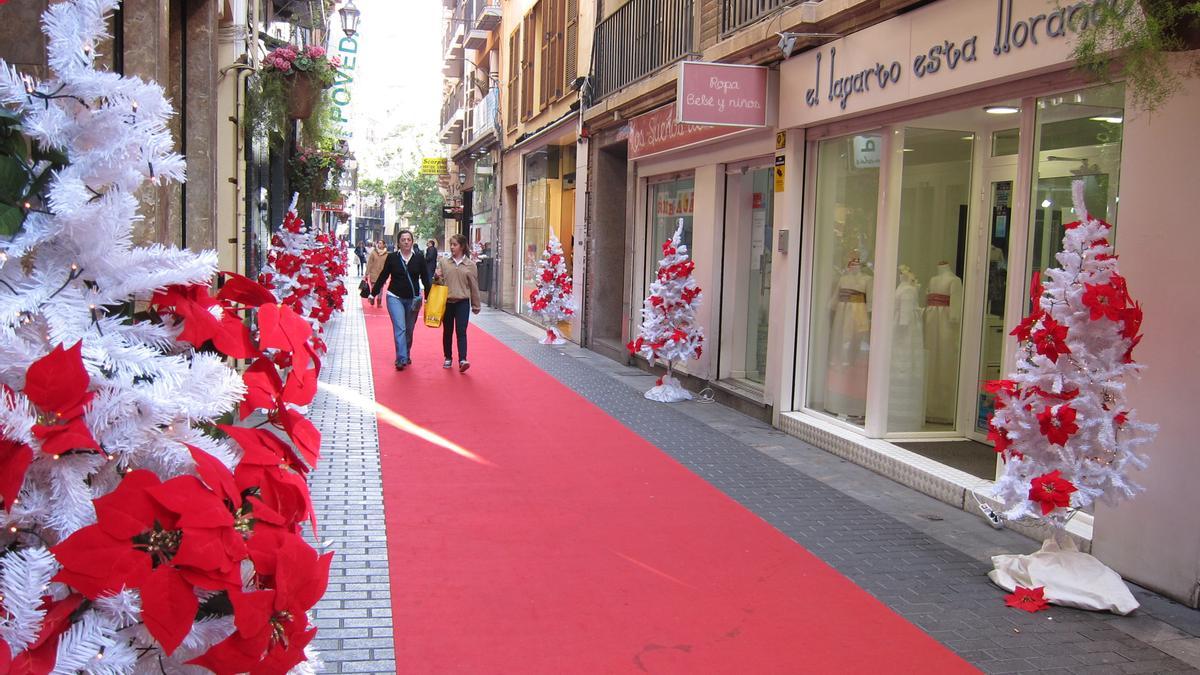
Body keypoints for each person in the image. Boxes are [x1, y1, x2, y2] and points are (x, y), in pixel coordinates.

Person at [371, 230, 432, 371]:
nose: (406, 242)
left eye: (408, 239)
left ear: (412, 241)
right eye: (403, 239)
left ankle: (406, 352)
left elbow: (425, 278)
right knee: (400, 327)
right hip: (394, 297)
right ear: (398, 242)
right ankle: (401, 358)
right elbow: (383, 276)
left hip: (413, 299)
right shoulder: (392, 258)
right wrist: (373, 293)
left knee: (409, 330)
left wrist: (429, 297)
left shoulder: (419, 258)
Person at [435, 233, 481, 372]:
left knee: (461, 331)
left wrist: (476, 304)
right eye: (451, 245)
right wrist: (436, 278)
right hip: (447, 302)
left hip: (462, 302)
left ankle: (462, 359)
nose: (452, 247)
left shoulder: (470, 265)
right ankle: (448, 357)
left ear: (461, 246)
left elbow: (474, 286)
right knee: (447, 331)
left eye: (455, 245)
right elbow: (438, 283)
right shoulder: (444, 262)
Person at [364, 240, 389, 308]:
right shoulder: (373, 253)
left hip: (382, 274)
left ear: (384, 245)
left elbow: (388, 265)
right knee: (374, 287)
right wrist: (367, 273)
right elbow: (369, 263)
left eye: (381, 243)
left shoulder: (386, 254)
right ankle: (373, 297)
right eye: (378, 243)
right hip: (374, 273)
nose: (379, 244)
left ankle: (379, 302)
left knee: (381, 288)